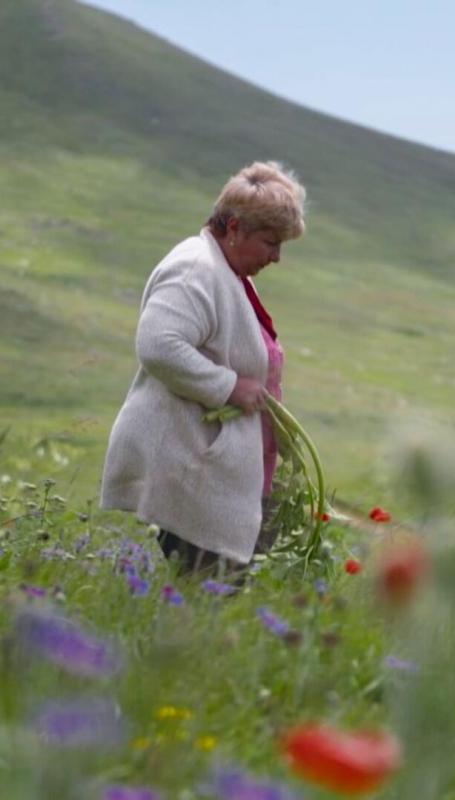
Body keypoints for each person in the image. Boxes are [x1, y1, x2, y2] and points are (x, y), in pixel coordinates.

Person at [100, 161, 306, 573]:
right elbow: (159, 346)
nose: (277, 257)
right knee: (209, 602)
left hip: (213, 470)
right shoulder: (196, 268)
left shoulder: (226, 270)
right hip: (195, 468)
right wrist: (229, 387)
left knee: (213, 601)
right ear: (234, 228)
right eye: (270, 242)